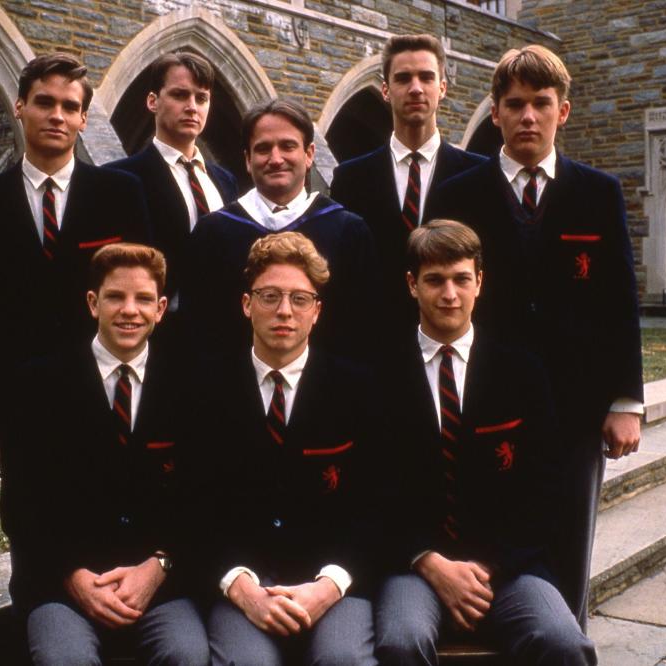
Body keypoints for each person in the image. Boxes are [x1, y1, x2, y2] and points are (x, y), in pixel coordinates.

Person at [428, 44, 643, 626]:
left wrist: (626, 401)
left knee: (569, 539)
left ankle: (563, 637)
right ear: (494, 112)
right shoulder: (456, 194)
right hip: (485, 401)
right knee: (488, 536)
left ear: (563, 111)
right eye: (515, 104)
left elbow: (619, 301)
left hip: (575, 406)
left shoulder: (597, 193)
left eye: (540, 104)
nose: (528, 116)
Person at [374, 219, 595, 665]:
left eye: (461, 279)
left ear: (480, 281)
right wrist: (429, 561)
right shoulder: (378, 376)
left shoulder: (522, 372)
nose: (449, 294)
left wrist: (487, 568)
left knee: (563, 642)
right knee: (401, 640)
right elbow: (370, 492)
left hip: (508, 567)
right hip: (414, 565)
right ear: (411, 285)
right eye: (434, 281)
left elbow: (547, 488)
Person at [0, 242, 208, 665]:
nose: (129, 310)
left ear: (161, 308)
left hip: (161, 582)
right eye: (116, 296)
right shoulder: (37, 385)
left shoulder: (192, 387)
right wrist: (72, 576)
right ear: (93, 303)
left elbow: (204, 498)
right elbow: (20, 505)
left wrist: (160, 564)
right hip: (62, 583)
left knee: (186, 653)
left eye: (143, 299)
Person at [0, 53, 149, 478]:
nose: (57, 116)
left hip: (108, 394)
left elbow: (144, 300)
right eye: (45, 103)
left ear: (82, 120)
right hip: (21, 403)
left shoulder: (121, 194)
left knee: (115, 524)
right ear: (20, 106)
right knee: (33, 529)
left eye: (70, 107)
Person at [194, 232, 376, 665]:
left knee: (343, 660)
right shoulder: (205, 390)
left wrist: (326, 586)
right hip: (242, 584)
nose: (284, 311)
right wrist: (243, 590)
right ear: (246, 304)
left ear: (317, 311)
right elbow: (191, 506)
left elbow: (377, 506)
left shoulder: (358, 390)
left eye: (299, 299)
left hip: (335, 581)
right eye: (270, 296)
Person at [181, 98, 377, 360]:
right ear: (248, 160)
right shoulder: (213, 233)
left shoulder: (348, 232)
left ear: (309, 155)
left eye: (287, 146)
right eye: (263, 149)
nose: (276, 159)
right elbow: (197, 332)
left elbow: (363, 332)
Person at [330, 34, 485, 330]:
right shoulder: (350, 179)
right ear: (386, 90)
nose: (415, 88)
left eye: (426, 77)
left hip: (453, 343)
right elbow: (345, 272)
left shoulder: (477, 176)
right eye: (403, 79)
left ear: (442, 88)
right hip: (376, 344)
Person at [107, 51, 238, 315]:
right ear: (153, 101)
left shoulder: (225, 181)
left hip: (223, 326)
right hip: (160, 329)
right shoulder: (120, 178)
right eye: (180, 95)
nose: (192, 106)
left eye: (201, 98)